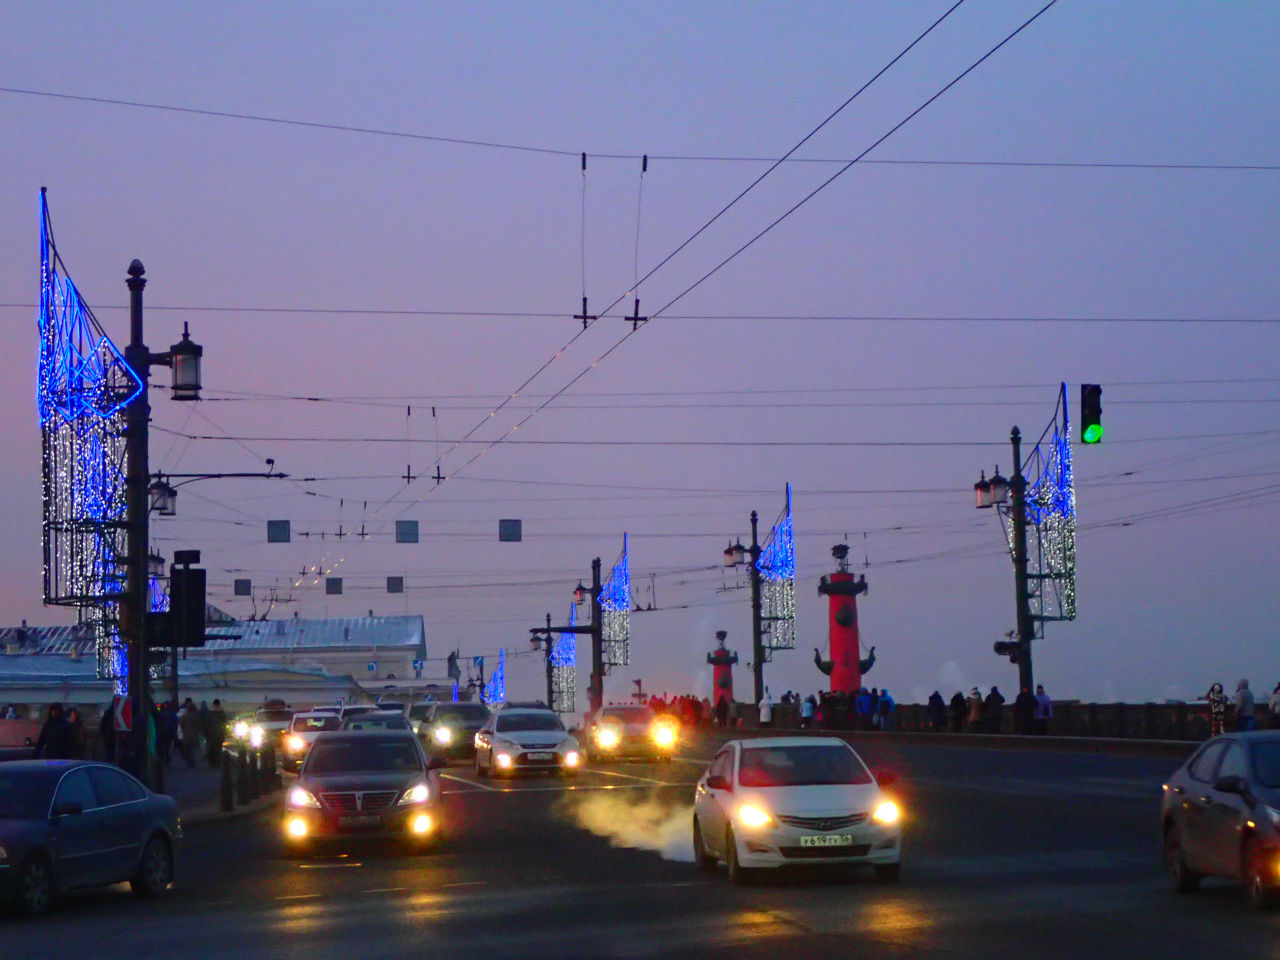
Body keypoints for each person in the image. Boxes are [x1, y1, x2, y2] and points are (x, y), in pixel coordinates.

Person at [177, 698, 201, 768]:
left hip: (186, 735)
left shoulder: (185, 715)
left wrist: (184, 730)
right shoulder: (196, 715)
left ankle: (189, 761)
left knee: (188, 749)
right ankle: (192, 761)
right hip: (194, 735)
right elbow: (199, 724)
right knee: (193, 749)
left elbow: (181, 724)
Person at [205, 698, 229, 767]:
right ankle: (218, 763)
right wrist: (225, 733)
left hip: (211, 734)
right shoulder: (222, 713)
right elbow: (225, 723)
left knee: (211, 749)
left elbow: (206, 724)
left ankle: (212, 763)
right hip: (220, 734)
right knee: (219, 749)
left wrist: (206, 733)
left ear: (213, 704)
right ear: (219, 704)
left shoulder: (209, 713)